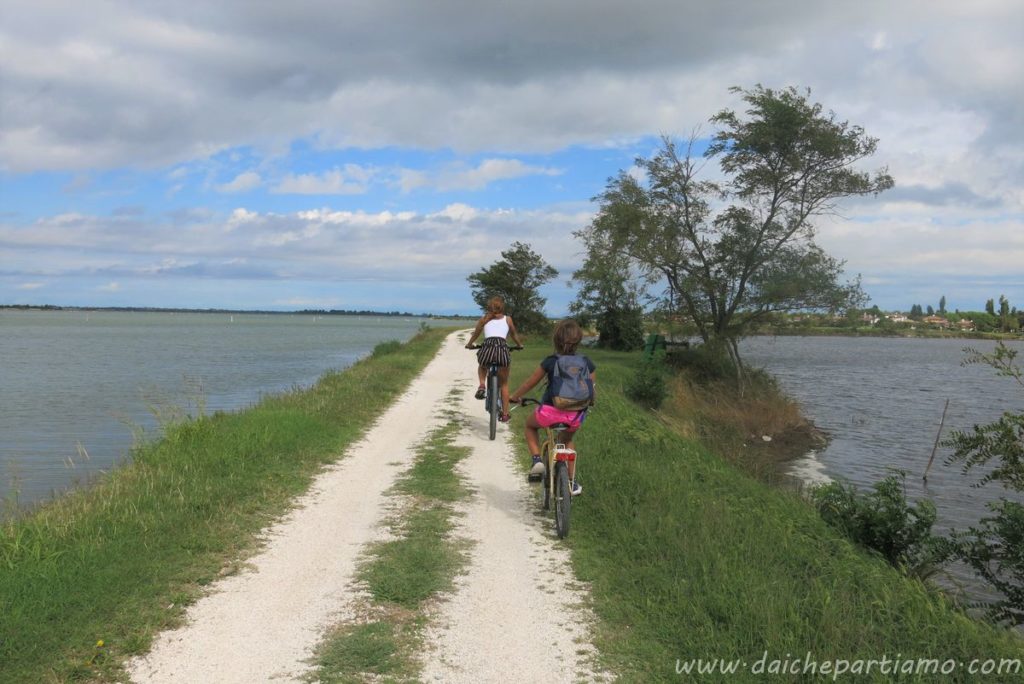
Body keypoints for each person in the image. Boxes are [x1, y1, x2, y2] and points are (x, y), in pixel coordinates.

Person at [509, 319, 595, 496]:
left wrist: (515, 396)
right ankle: (571, 481)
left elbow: (530, 383)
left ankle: (536, 461)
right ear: (578, 340)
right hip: (575, 416)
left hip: (549, 413)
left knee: (530, 426)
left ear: (556, 339)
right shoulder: (586, 362)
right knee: (567, 440)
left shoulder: (550, 361)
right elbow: (591, 388)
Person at [465, 295, 524, 422]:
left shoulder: (484, 319)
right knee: (504, 383)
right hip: (502, 349)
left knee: (482, 365)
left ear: (489, 308)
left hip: (487, 348)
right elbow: (513, 333)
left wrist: (470, 344)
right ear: (502, 308)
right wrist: (519, 345)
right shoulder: (508, 319)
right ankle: (505, 414)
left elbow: (476, 333)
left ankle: (481, 385)